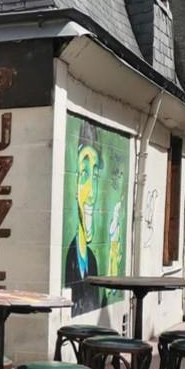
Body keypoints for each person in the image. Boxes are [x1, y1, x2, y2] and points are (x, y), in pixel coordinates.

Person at [65, 125, 123, 316]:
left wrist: (113, 254)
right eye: (84, 175)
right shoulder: (69, 261)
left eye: (95, 177)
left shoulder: (92, 262)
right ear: (74, 185)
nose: (91, 194)